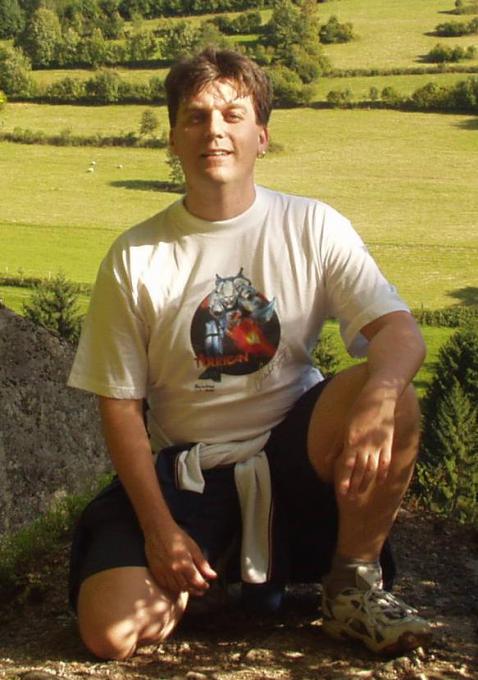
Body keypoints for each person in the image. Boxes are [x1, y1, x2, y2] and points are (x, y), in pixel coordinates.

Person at [67, 47, 431, 661]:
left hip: (294, 455)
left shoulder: (312, 225)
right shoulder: (135, 257)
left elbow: (399, 332)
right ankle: (216, 570)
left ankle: (353, 586)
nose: (214, 130)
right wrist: (159, 531)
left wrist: (378, 397)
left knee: (394, 392)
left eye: (233, 115)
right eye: (196, 117)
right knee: (112, 632)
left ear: (261, 136)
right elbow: (120, 406)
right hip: (189, 472)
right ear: (173, 140)